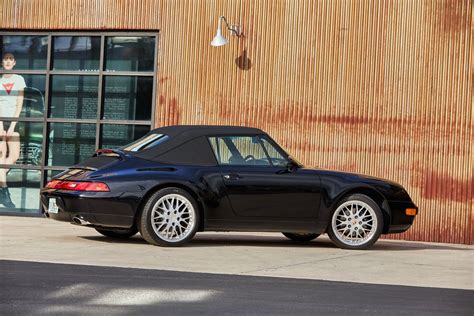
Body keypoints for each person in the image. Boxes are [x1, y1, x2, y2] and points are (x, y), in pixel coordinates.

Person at [0, 52, 25, 208]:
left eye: (11, 60)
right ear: (2, 63)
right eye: (5, 60)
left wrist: (12, 125)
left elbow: (19, 103)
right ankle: (4, 193)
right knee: (1, 156)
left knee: (14, 156)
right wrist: (1, 125)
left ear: (14, 63)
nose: (8, 62)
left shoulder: (19, 79)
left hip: (13, 122)